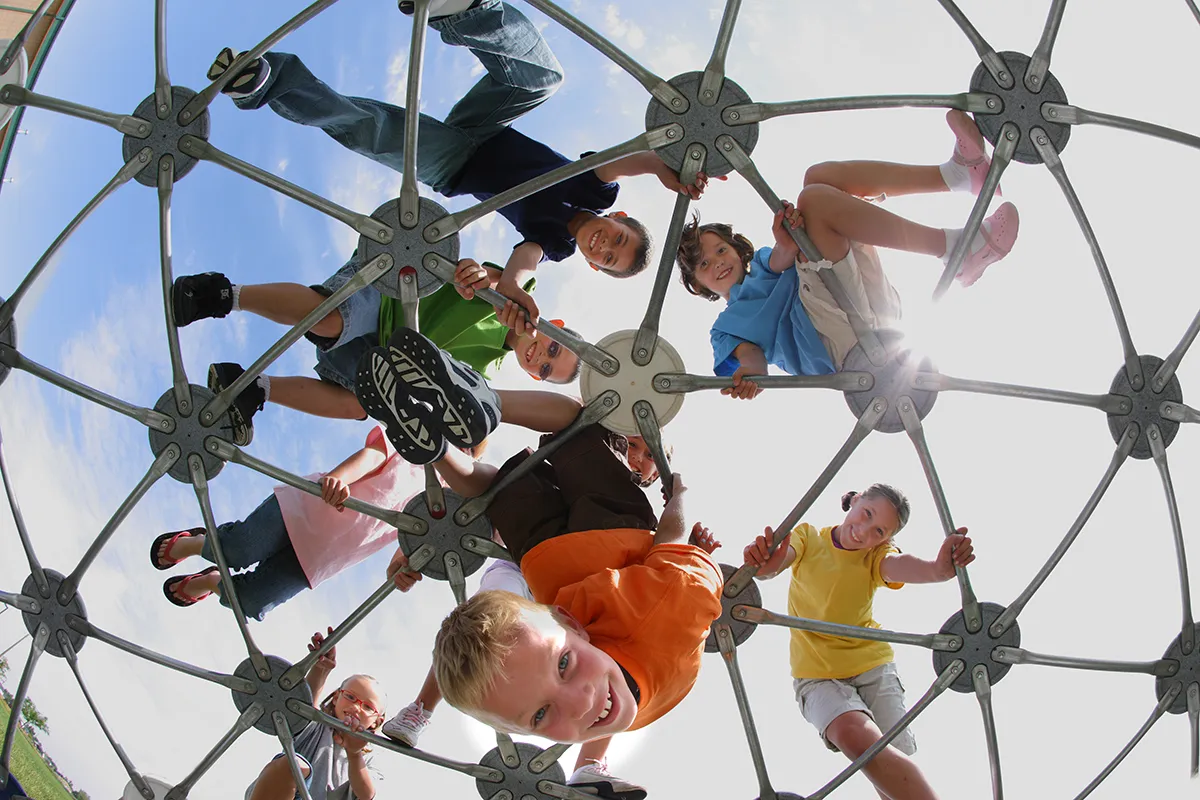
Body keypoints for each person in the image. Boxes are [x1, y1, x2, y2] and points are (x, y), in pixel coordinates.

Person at [365, 327, 724, 796]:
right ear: (568, 626)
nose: (579, 704)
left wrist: (681, 497)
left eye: (540, 714)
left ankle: (445, 443)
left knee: (540, 453)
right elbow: (672, 547)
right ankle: (449, 442)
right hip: (589, 540)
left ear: (568, 625)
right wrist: (679, 494)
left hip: (569, 555)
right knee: (560, 435)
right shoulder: (672, 618)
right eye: (563, 668)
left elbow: (672, 540)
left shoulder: (629, 675)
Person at [209, 0, 717, 326]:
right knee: (541, 78)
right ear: (619, 220)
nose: (604, 245)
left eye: (606, 257)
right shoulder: (597, 195)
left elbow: (524, 261)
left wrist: (514, 286)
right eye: (618, 240)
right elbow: (623, 163)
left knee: (371, 129)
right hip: (491, 127)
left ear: (590, 262)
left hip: (457, 165)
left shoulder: (557, 243)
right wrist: (660, 167)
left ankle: (266, 81)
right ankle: (462, 10)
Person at [377, 436, 669, 799]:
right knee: (485, 632)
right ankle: (421, 708)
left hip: (581, 593)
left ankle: (588, 766)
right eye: (634, 445)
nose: (637, 457)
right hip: (521, 567)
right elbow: (482, 496)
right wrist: (412, 550)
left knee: (610, 664)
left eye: (648, 456)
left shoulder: (632, 510)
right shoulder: (584, 469)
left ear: (656, 473)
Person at [675, 110, 1019, 400]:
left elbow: (782, 257)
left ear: (737, 249)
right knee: (815, 202)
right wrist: (751, 376)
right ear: (696, 283)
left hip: (861, 300)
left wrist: (788, 238)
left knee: (818, 178)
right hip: (830, 342)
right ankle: (953, 249)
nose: (718, 262)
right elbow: (752, 357)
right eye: (704, 264)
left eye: (721, 250)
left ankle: (957, 175)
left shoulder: (764, 263)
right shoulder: (725, 328)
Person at [173, 254, 582, 446]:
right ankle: (223, 294)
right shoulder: (511, 296)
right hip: (390, 290)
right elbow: (497, 271)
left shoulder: (484, 369)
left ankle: (253, 387)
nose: (540, 357)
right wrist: (478, 275)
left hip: (381, 346)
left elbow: (471, 404)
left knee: (363, 404)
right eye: (553, 348)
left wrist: (476, 445)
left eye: (545, 369)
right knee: (334, 318)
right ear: (555, 326)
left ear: (533, 377)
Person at [742, 485, 976, 800]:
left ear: (886, 540)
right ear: (853, 501)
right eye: (866, 514)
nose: (864, 530)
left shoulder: (875, 556)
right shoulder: (810, 537)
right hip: (818, 675)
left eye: (878, 530)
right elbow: (776, 563)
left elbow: (898, 566)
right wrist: (763, 560)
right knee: (854, 736)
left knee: (891, 767)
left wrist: (937, 570)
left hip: (872, 667)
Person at [152, 424, 431, 617]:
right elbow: (376, 453)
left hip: (325, 555)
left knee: (253, 601)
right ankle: (193, 543)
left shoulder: (443, 497)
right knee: (237, 549)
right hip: (310, 508)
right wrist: (340, 478)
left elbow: (415, 533)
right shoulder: (421, 442)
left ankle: (211, 582)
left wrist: (399, 565)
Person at [244, 629, 384, 800]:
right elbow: (302, 707)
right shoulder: (317, 727)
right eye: (350, 697)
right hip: (287, 793)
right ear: (336, 698)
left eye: (368, 707)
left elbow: (366, 794)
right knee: (293, 763)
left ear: (377, 721)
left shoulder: (369, 759)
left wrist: (354, 754)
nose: (356, 707)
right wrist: (321, 668)